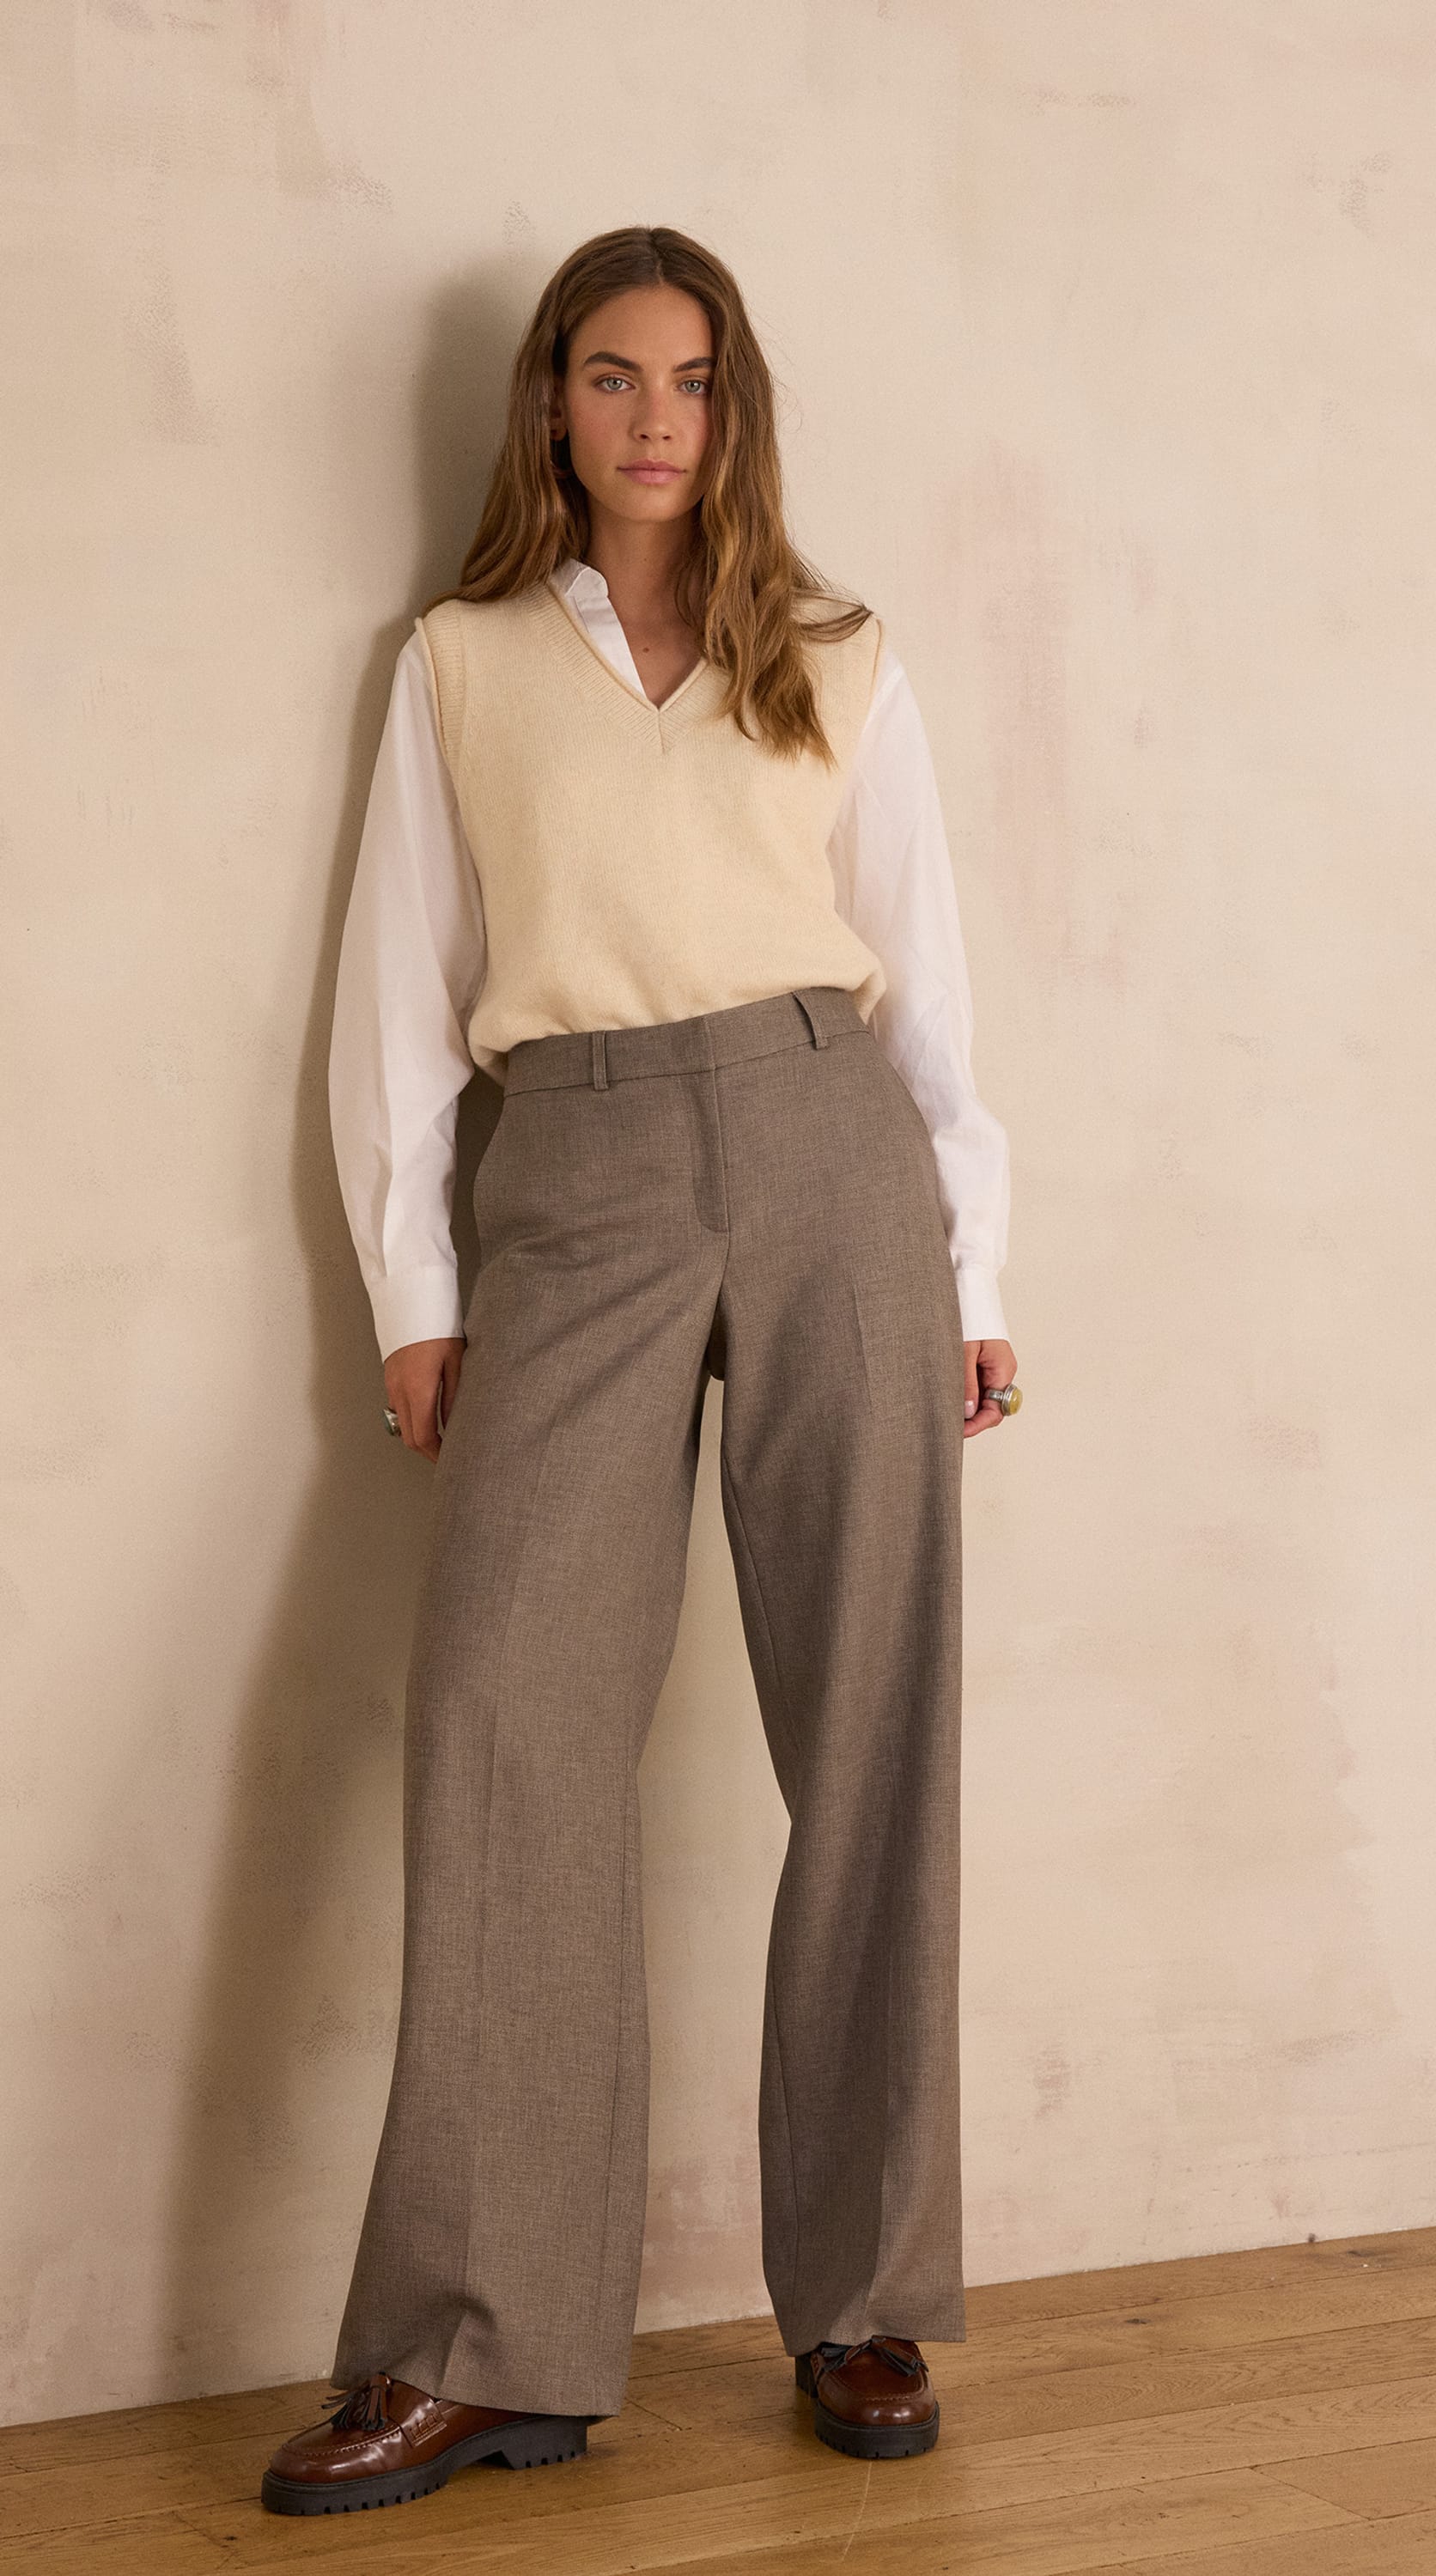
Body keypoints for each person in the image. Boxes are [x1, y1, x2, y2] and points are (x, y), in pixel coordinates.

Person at [261, 223, 1020, 2518]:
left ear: (735, 406)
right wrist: (417, 1289)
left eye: (691, 379)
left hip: (827, 1153)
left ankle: (865, 2294)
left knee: (871, 1724)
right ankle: (482, 2342)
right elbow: (400, 994)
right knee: (505, 1732)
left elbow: (924, 977)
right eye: (613, 375)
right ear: (555, 404)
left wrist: (974, 1259)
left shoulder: (837, 654)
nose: (654, 417)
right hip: (572, 1176)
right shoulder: (464, 661)